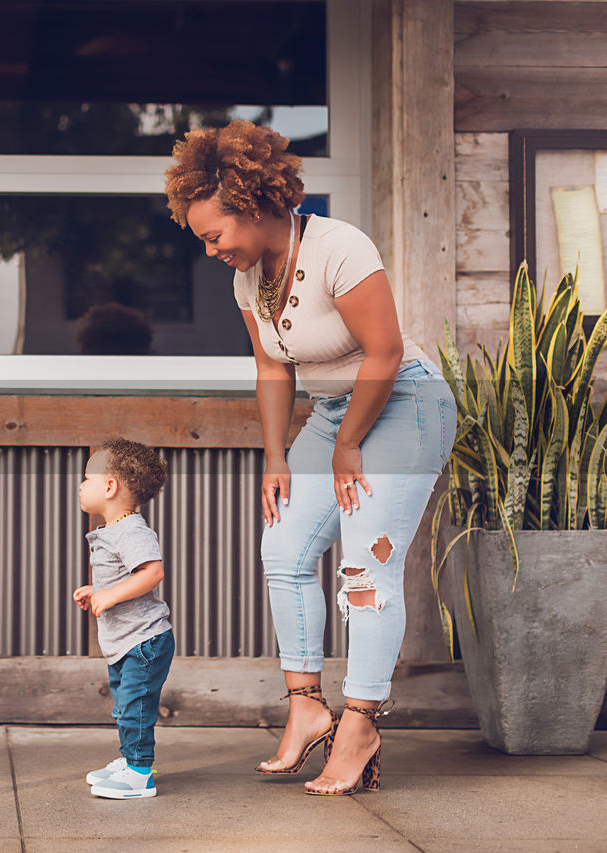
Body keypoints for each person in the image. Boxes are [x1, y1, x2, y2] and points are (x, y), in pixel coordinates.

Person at [164, 121, 455, 795]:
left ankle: (360, 722)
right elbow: (272, 368)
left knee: (364, 565)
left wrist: (350, 442)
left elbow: (382, 353)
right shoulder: (248, 280)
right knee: (284, 548)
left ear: (256, 206)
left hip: (404, 403)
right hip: (332, 415)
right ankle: (306, 705)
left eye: (214, 235)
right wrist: (275, 454)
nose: (211, 251)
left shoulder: (338, 248)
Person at [74, 438, 174, 800]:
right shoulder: (116, 530)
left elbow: (152, 573)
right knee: (126, 704)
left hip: (143, 640)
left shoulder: (131, 530)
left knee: (136, 706)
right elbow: (123, 577)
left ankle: (139, 773)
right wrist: (95, 590)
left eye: (87, 478)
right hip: (127, 640)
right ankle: (130, 759)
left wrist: (110, 595)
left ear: (110, 486)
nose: (82, 485)